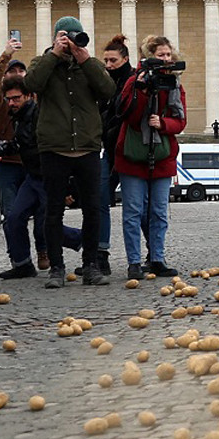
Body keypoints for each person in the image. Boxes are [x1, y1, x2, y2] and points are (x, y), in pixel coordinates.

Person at [24, 16, 116, 288]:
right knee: (53, 211)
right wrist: (54, 54)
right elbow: (31, 84)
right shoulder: (43, 64)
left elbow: (108, 91)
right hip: (55, 148)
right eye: (66, 37)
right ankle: (56, 268)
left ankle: (91, 265)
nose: (70, 43)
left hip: (86, 147)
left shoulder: (91, 65)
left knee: (93, 210)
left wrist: (85, 59)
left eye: (76, 37)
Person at [0, 76, 83, 278]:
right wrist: (4, 148)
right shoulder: (19, 116)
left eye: (16, 98)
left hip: (47, 177)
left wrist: (67, 184)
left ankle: (86, 241)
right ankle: (22, 263)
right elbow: (24, 144)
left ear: (29, 96)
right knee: (14, 218)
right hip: (33, 177)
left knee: (47, 224)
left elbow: (54, 147)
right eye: (9, 99)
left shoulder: (39, 115)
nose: (11, 103)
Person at [114, 36, 187, 279]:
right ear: (148, 58)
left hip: (162, 154)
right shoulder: (135, 81)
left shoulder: (175, 86)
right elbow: (126, 113)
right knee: (133, 211)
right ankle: (134, 262)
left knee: (158, 211)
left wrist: (163, 122)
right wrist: (142, 89)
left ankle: (157, 258)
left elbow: (180, 121)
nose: (165, 60)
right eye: (160, 55)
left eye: (168, 55)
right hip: (133, 155)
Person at [0, 40, 45, 269]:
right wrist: (5, 57)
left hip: (32, 166)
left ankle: (43, 251)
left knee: (43, 213)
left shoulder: (35, 104)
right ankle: (19, 260)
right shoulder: (2, 103)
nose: (17, 74)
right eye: (13, 71)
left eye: (21, 71)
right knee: (12, 215)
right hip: (8, 165)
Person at [93, 34, 134, 276]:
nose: (108, 65)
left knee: (135, 207)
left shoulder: (134, 80)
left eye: (113, 61)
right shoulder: (103, 84)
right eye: (105, 61)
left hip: (129, 150)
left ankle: (144, 257)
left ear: (125, 59)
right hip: (109, 150)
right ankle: (101, 254)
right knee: (100, 199)